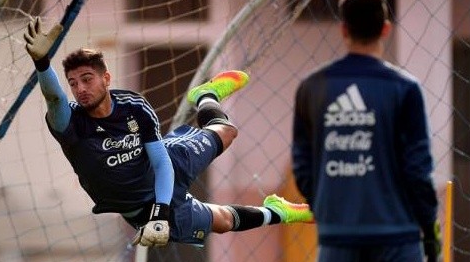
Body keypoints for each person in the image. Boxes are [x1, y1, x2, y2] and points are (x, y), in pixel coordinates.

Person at [22, 17, 313, 249]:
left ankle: (207, 94)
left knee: (226, 132)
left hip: (167, 166)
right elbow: (54, 98)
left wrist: (161, 211)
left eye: (87, 79)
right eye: (73, 83)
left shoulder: (134, 107)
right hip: (141, 209)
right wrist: (42, 63)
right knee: (223, 222)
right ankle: (280, 211)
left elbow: (160, 162)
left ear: (106, 78)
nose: (80, 89)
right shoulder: (69, 122)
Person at [290, 0, 441, 262]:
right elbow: (417, 170)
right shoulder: (404, 88)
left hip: (339, 234)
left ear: (342, 30)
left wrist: (326, 205)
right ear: (386, 29)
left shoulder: (312, 87)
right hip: (398, 234)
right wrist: (430, 233)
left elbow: (302, 165)